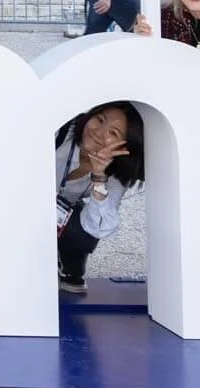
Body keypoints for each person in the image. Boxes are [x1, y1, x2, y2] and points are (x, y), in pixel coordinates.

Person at [53, 102, 146, 294]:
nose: (99, 132)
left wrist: (98, 177)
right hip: (22, 201)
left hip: (59, 211)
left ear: (125, 146)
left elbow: (101, 226)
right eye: (100, 119)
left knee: (84, 231)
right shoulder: (60, 133)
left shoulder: (115, 173)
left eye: (113, 133)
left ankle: (68, 263)